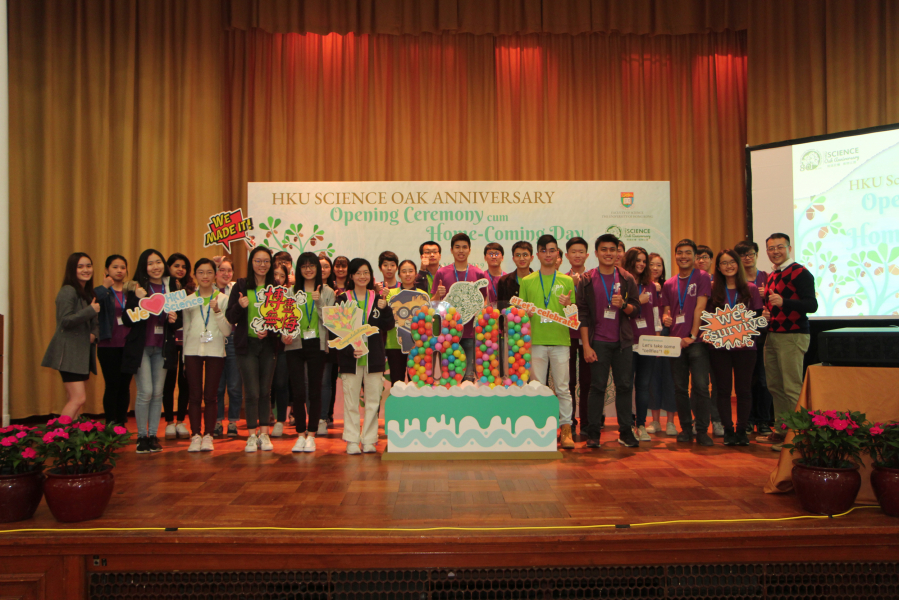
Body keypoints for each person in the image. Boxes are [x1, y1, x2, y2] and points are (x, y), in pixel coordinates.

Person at [576, 235, 641, 448]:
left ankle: (626, 432)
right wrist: (586, 346)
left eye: (612, 249)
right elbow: (582, 315)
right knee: (597, 387)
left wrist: (623, 305)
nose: (608, 253)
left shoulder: (627, 279)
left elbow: (635, 310)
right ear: (596, 253)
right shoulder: (587, 279)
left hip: (623, 343)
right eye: (604, 249)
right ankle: (593, 433)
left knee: (624, 387)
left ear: (618, 253)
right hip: (598, 342)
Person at [758, 233, 818, 452]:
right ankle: (783, 430)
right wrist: (767, 313)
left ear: (789, 248)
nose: (775, 251)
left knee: (792, 387)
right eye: (771, 248)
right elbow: (776, 306)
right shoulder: (774, 274)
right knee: (775, 385)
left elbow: (811, 305)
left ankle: (798, 437)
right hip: (773, 334)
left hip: (793, 335)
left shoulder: (800, 272)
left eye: (779, 247)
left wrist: (784, 302)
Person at [519, 234, 577, 449]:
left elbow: (573, 319)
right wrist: (524, 313)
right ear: (537, 255)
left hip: (560, 341)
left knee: (563, 388)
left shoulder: (567, 280)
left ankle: (566, 430)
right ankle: (539, 429)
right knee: (537, 388)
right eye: (544, 251)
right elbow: (519, 314)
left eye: (552, 250)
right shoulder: (527, 281)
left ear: (558, 253)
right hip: (535, 341)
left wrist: (569, 305)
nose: (548, 254)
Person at [704, 249, 766, 447]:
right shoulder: (713, 290)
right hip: (719, 348)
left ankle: (741, 430)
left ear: (738, 264)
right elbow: (707, 318)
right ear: (718, 267)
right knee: (722, 390)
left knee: (744, 390)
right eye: (724, 263)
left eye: (732, 262)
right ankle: (728, 430)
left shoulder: (750, 289)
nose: (728, 266)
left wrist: (754, 329)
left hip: (745, 347)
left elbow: (757, 318)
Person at [333, 258, 395, 454]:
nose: (362, 276)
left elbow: (388, 325)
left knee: (373, 401)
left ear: (371, 275)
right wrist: (348, 350)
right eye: (358, 273)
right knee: (351, 401)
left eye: (366, 272)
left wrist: (385, 308)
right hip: (350, 358)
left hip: (374, 357)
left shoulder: (377, 298)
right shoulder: (342, 299)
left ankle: (369, 439)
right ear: (351, 276)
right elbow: (335, 331)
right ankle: (352, 440)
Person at [122, 249, 178, 454]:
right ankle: (141, 437)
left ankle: (153, 435)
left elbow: (178, 320)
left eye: (158, 262)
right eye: (150, 263)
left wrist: (174, 319)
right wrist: (138, 300)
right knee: (145, 391)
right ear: (143, 267)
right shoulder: (136, 287)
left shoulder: (171, 286)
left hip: (162, 347)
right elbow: (127, 319)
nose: (156, 267)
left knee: (157, 393)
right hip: (142, 348)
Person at [226, 246, 279, 453]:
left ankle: (264, 434)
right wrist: (240, 305)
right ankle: (251, 435)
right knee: (252, 392)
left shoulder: (276, 288)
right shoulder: (240, 285)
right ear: (251, 262)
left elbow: (281, 319)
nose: (262, 265)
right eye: (258, 261)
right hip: (246, 345)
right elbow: (230, 317)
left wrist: (269, 330)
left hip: (268, 346)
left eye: (266, 261)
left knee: (265, 391)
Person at [661, 239, 714, 447]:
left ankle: (702, 430)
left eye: (688, 253)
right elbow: (667, 311)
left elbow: (700, 308)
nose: (683, 256)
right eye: (680, 253)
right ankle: (685, 429)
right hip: (676, 343)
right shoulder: (669, 283)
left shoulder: (702, 277)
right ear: (675, 256)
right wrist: (666, 319)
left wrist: (692, 335)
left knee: (701, 387)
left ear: (694, 256)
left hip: (697, 341)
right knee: (680, 388)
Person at [284, 252, 335, 453]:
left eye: (311, 265)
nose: (308, 269)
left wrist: (319, 302)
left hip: (317, 344)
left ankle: (311, 435)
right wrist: (283, 335)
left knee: (315, 391)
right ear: (298, 269)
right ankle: (299, 434)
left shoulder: (327, 291)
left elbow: (331, 321)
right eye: (304, 266)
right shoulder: (290, 292)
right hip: (295, 344)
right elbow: (284, 318)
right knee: (297, 391)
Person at [181, 259, 231, 452]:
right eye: (201, 272)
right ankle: (195, 435)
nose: (205, 276)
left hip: (215, 351)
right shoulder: (188, 300)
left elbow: (227, 331)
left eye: (209, 272)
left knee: (211, 395)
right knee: (194, 396)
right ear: (195, 275)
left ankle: (208, 435)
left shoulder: (223, 299)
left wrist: (217, 311)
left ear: (215, 275)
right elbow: (186, 328)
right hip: (192, 350)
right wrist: (184, 357)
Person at [42, 252, 100, 419]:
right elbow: (65, 321)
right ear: (72, 269)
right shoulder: (68, 291)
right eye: (80, 267)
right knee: (78, 399)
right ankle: (59, 433)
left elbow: (95, 324)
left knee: (74, 400)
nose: (86, 270)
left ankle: (72, 435)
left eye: (88, 266)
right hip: (69, 354)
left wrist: (94, 335)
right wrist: (90, 310)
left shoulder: (87, 293)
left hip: (81, 354)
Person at [431, 233, 488, 382]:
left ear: (469, 250)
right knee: (448, 377)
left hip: (470, 333)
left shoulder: (478, 273)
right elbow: (433, 304)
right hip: (447, 334)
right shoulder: (441, 273)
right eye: (457, 247)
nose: (461, 251)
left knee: (468, 377)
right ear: (451, 250)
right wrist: (437, 294)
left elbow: (484, 302)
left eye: (464, 247)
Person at [735, 240, 773, 435]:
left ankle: (764, 420)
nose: (747, 258)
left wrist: (766, 298)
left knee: (764, 381)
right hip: (743, 335)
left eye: (750, 254)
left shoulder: (768, 277)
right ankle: (748, 420)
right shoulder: (735, 282)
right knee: (747, 380)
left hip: (765, 335)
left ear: (757, 255)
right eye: (742, 255)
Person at [94, 255, 133, 426]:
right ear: (106, 270)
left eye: (122, 267)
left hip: (128, 344)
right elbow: (91, 305)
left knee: (125, 386)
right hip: (108, 345)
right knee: (112, 385)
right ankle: (110, 423)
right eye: (115, 267)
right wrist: (104, 286)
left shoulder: (131, 291)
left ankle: (121, 423)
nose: (119, 271)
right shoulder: (102, 291)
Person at [623, 247, 657, 442]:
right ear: (630, 261)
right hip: (628, 341)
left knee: (643, 386)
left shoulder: (651, 285)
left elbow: (656, 313)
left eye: (644, 261)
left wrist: (658, 338)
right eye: (638, 260)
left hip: (648, 342)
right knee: (626, 385)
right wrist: (638, 301)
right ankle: (627, 425)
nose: (642, 264)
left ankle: (641, 425)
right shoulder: (623, 283)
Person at [692, 244, 724, 437]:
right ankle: (698, 419)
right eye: (698, 257)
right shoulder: (689, 282)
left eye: (705, 257)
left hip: (717, 339)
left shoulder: (720, 282)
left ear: (712, 260)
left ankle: (717, 420)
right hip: (697, 339)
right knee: (699, 384)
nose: (701, 260)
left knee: (718, 383)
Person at [162, 253, 193, 440]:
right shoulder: (164, 288)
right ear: (169, 267)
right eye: (176, 266)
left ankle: (181, 421)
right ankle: (169, 422)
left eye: (183, 266)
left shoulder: (191, 289)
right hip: (168, 342)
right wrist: (176, 321)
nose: (180, 269)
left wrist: (179, 321)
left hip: (187, 341)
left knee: (185, 381)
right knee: (168, 382)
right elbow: (166, 317)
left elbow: (190, 316)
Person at [646, 253, 677, 435]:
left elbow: (670, 310)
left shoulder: (669, 286)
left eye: (659, 265)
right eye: (652, 264)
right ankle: (655, 421)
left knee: (670, 378)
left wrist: (667, 318)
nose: (655, 268)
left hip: (667, 335)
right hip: (649, 336)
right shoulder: (641, 286)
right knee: (653, 379)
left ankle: (671, 422)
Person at [565, 237, 592, 436]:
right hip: (567, 335)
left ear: (587, 255)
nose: (577, 255)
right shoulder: (561, 279)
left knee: (587, 381)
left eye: (581, 252)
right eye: (573, 252)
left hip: (588, 336)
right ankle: (570, 422)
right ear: (567, 255)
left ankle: (588, 423)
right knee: (569, 381)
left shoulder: (593, 278)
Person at [213, 257, 241, 438]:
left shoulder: (236, 289)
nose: (226, 273)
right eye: (221, 270)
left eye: (229, 270)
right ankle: (216, 422)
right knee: (217, 386)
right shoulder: (208, 290)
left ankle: (233, 422)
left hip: (233, 339)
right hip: (214, 340)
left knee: (234, 385)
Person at [269, 263, 291, 437]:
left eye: (282, 276)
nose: (278, 278)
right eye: (275, 274)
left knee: (281, 383)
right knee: (265, 385)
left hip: (283, 347)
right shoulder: (264, 294)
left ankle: (280, 420)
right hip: (265, 345)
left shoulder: (290, 295)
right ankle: (265, 416)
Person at [496, 241, 534, 310]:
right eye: (518, 255)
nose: (521, 258)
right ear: (513, 259)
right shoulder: (504, 281)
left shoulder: (538, 280)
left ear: (531, 258)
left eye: (525, 255)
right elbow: (500, 310)